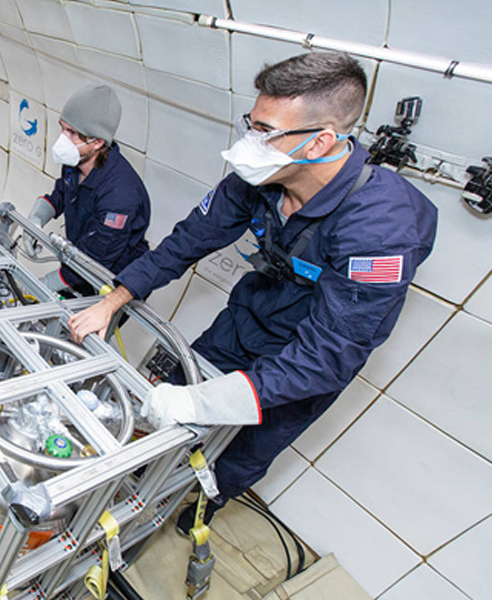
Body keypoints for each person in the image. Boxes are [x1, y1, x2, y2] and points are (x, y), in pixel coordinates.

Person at [68, 52, 438, 531]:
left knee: (236, 456)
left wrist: (200, 405)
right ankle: (134, 486)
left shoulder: (381, 228)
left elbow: (325, 357)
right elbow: (185, 242)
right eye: (251, 123)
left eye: (265, 131)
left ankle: (189, 513)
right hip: (249, 316)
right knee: (175, 397)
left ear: (320, 141)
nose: (249, 143)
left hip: (303, 360)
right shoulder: (260, 178)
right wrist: (111, 302)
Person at [24, 84, 150, 296]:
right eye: (62, 128)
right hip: (79, 264)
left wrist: (50, 282)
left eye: (72, 133)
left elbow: (99, 256)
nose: (62, 139)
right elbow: (61, 194)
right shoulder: (75, 160)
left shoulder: (120, 195)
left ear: (97, 142)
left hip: (111, 282)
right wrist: (35, 220)